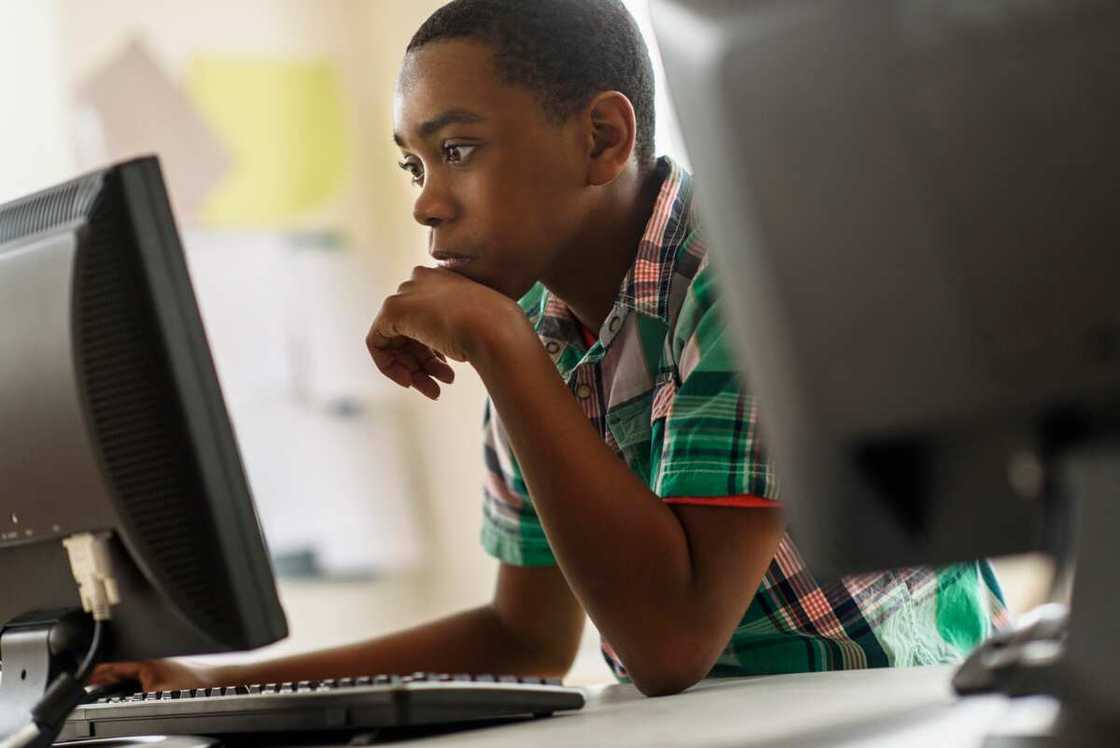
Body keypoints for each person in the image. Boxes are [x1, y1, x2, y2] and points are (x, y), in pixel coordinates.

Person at [95, 0, 1007, 697]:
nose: (425, 203)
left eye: (458, 149)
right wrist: (214, 686)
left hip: (899, 708)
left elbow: (671, 644)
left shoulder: (745, 274)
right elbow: (525, 638)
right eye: (415, 164)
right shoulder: (537, 322)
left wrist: (502, 350)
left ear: (602, 138)